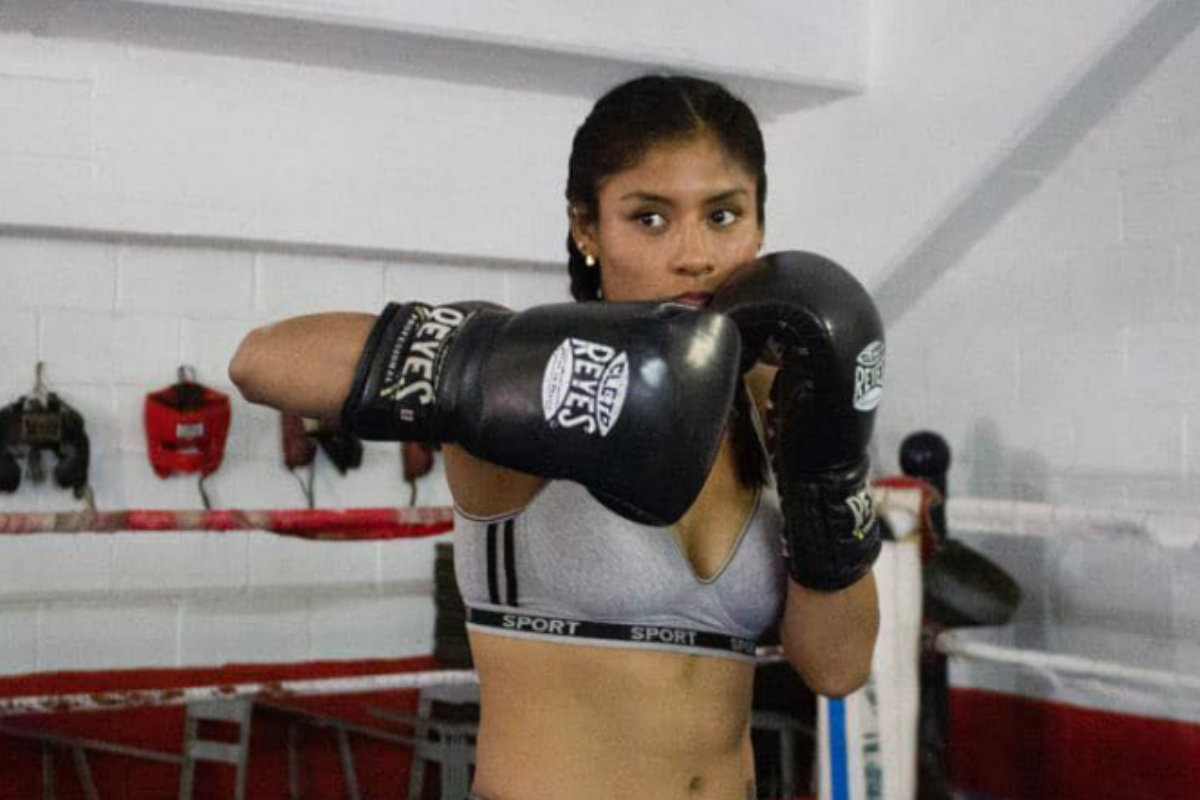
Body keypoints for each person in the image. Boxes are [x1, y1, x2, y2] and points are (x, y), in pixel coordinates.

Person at [230, 75, 881, 800]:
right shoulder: (537, 380)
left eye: (724, 215)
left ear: (760, 225)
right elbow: (261, 362)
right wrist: (492, 364)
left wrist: (830, 476)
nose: (695, 254)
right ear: (587, 228)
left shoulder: (774, 398)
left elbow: (838, 668)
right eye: (651, 219)